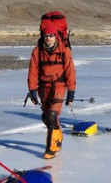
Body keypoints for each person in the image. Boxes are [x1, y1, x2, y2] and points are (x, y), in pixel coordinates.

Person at [27, 21, 77, 159]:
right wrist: (32, 90)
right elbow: (32, 71)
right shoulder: (37, 51)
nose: (48, 38)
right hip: (43, 88)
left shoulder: (64, 51)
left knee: (52, 115)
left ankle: (51, 149)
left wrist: (71, 91)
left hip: (59, 87)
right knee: (47, 118)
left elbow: (70, 71)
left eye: (51, 36)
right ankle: (58, 134)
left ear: (56, 36)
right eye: (45, 36)